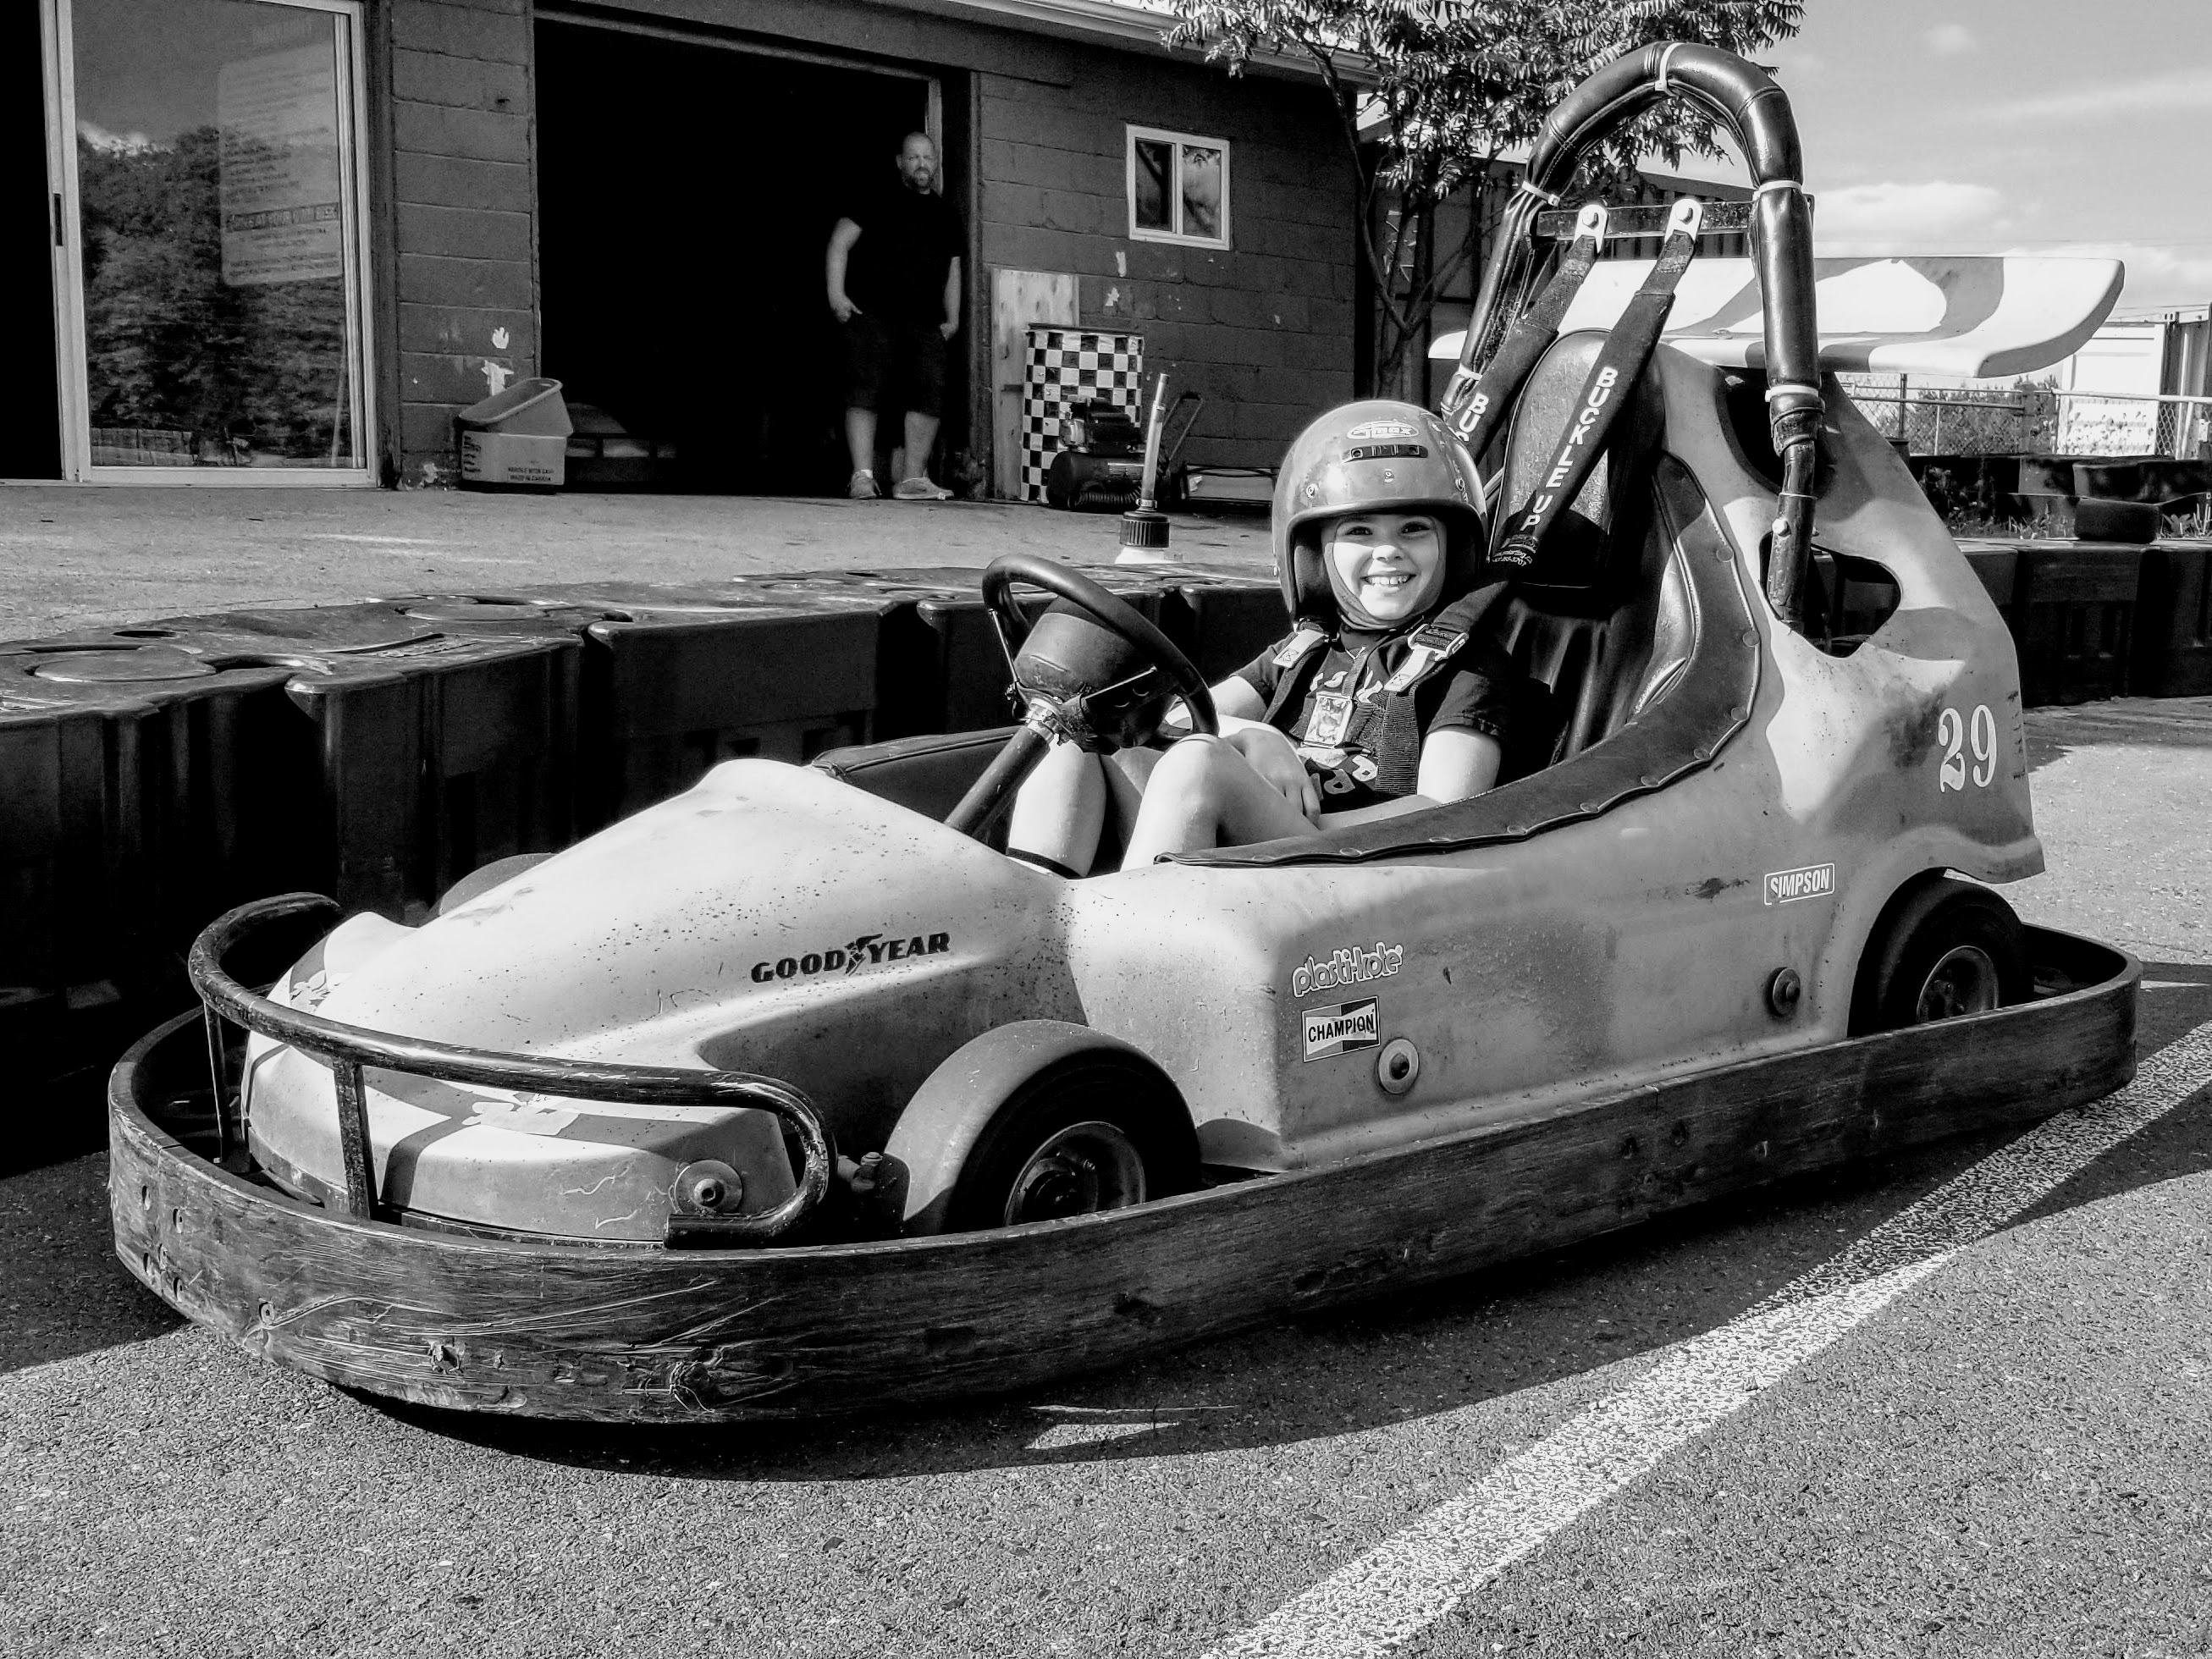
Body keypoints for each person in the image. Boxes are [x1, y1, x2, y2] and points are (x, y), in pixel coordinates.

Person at [1007, 400, 1514, 874]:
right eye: (1360, 532)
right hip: (1264, 856)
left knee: (1200, 765)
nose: (1388, 551)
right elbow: (1180, 717)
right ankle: (1028, 917)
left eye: (1414, 529)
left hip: (1345, 863)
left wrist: (1294, 817)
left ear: (1454, 546)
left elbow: (1448, 808)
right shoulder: (1305, 652)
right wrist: (1256, 738)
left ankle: (1118, 932)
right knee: (1082, 729)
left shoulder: (1468, 666)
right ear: (1314, 555)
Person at [826, 132, 963, 501]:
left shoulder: (946, 213)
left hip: (926, 321)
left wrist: (953, 318)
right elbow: (839, 242)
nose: (922, 164)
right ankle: (862, 477)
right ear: (900, 162)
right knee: (864, 391)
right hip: (872, 313)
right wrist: (836, 296)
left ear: (936, 164)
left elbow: (953, 267)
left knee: (929, 394)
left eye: (928, 158)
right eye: (914, 157)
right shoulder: (876, 199)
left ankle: (911, 479)